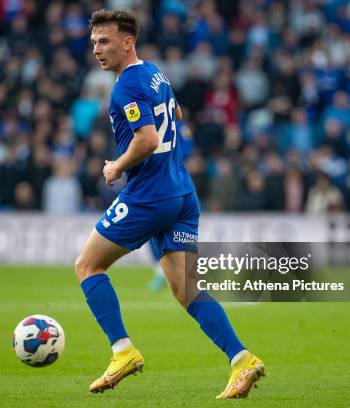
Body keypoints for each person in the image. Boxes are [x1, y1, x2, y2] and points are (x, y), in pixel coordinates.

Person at [74, 10, 264, 399]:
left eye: (105, 41)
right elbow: (175, 113)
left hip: (151, 195)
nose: (97, 49)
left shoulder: (125, 87)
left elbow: (144, 139)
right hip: (182, 192)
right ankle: (242, 360)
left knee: (88, 266)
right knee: (186, 290)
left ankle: (122, 350)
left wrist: (116, 166)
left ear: (128, 41)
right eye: (94, 42)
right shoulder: (155, 73)